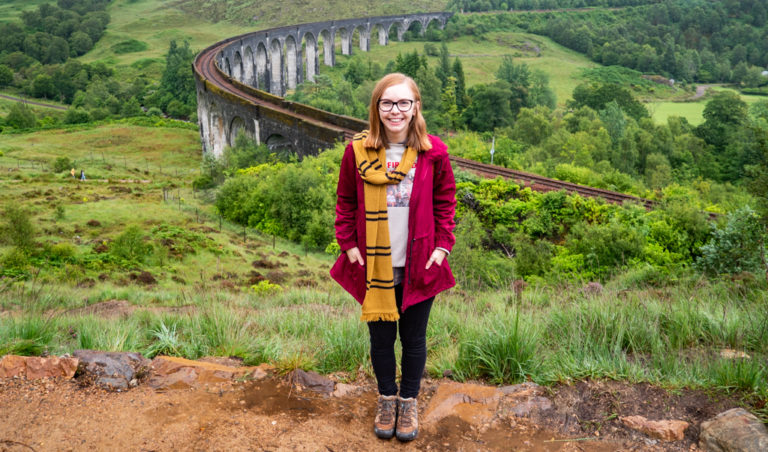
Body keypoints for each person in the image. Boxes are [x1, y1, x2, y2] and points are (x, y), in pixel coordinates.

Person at [330, 73, 456, 442]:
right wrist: (347, 243)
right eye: (387, 103)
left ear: (416, 106)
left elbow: (445, 203)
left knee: (414, 339)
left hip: (420, 262)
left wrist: (442, 246)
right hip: (373, 265)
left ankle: (409, 401)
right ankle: (387, 399)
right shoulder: (357, 152)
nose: (395, 111)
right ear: (377, 109)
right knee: (382, 340)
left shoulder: (435, 153)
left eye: (403, 103)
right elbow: (346, 201)